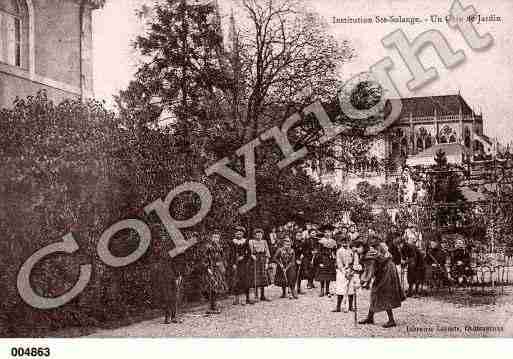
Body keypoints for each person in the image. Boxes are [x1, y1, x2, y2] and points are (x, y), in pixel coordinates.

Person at [357, 240, 406, 328]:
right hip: (384, 270)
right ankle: (370, 317)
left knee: (384, 293)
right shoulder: (367, 253)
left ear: (362, 246)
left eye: (357, 248)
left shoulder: (369, 255)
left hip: (387, 271)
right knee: (374, 292)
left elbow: (369, 271)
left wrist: (361, 282)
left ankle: (391, 320)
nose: (356, 250)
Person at [196, 231, 229, 314]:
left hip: (218, 269)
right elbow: (204, 259)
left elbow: (223, 257)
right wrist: (207, 268)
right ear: (211, 238)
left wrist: (223, 265)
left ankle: (215, 305)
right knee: (212, 287)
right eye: (214, 237)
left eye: (217, 237)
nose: (216, 239)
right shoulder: (208, 247)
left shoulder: (220, 247)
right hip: (211, 268)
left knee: (217, 286)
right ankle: (211, 306)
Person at [229, 226, 254, 305]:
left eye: (240, 233)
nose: (239, 234)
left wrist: (244, 257)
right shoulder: (232, 242)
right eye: (237, 232)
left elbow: (249, 252)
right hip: (235, 264)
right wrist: (233, 263)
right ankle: (236, 298)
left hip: (244, 263)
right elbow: (231, 254)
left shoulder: (246, 241)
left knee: (246, 280)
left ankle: (247, 298)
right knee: (236, 281)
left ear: (243, 233)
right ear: (235, 234)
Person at [333, 234, 358, 313]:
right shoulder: (339, 251)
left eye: (347, 241)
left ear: (349, 242)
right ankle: (338, 306)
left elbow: (356, 261)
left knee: (351, 289)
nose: (345, 243)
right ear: (341, 242)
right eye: (343, 241)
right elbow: (339, 262)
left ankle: (350, 306)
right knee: (340, 288)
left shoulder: (353, 251)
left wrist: (353, 269)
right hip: (342, 271)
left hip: (351, 271)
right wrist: (344, 271)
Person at [401, 228, 425, 297]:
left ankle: (416, 291)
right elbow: (403, 256)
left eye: (400, 244)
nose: (399, 246)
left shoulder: (411, 247)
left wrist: (406, 261)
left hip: (419, 263)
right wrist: (403, 261)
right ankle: (410, 290)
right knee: (410, 275)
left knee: (416, 276)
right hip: (412, 263)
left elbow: (413, 257)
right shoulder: (402, 248)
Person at [249, 228, 271, 301]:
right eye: (257, 234)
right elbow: (250, 252)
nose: (259, 236)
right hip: (255, 260)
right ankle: (256, 296)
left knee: (263, 278)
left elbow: (267, 252)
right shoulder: (251, 242)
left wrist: (267, 262)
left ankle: (262, 295)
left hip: (263, 260)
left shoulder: (264, 242)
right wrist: (252, 256)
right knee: (256, 278)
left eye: (260, 234)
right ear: (255, 235)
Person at [315, 226, 337, 297]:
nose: (327, 233)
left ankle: (327, 290)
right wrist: (320, 262)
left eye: (329, 232)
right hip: (323, 259)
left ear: (331, 233)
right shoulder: (321, 241)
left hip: (330, 260)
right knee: (322, 275)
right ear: (324, 233)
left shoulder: (333, 241)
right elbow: (319, 252)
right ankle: (322, 290)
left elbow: (334, 251)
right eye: (326, 232)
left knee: (329, 275)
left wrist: (334, 256)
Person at [293, 229, 306, 294]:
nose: (299, 237)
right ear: (295, 236)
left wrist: (303, 254)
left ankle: (298, 288)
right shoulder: (293, 243)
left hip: (301, 259)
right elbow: (292, 252)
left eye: (300, 235)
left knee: (300, 275)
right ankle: (292, 289)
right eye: (297, 235)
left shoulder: (303, 243)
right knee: (294, 275)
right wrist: (296, 259)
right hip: (294, 260)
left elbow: (305, 250)